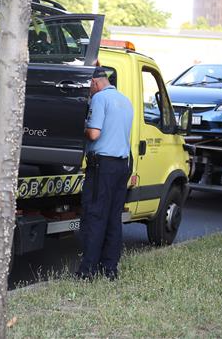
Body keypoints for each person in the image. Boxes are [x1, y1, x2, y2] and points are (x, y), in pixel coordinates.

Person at [76, 66, 133, 281]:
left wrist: (80, 125)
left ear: (94, 83)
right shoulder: (125, 100)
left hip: (102, 166)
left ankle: (87, 271)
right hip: (122, 165)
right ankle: (109, 269)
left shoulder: (100, 99)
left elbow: (94, 133)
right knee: (112, 218)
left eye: (88, 87)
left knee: (95, 216)